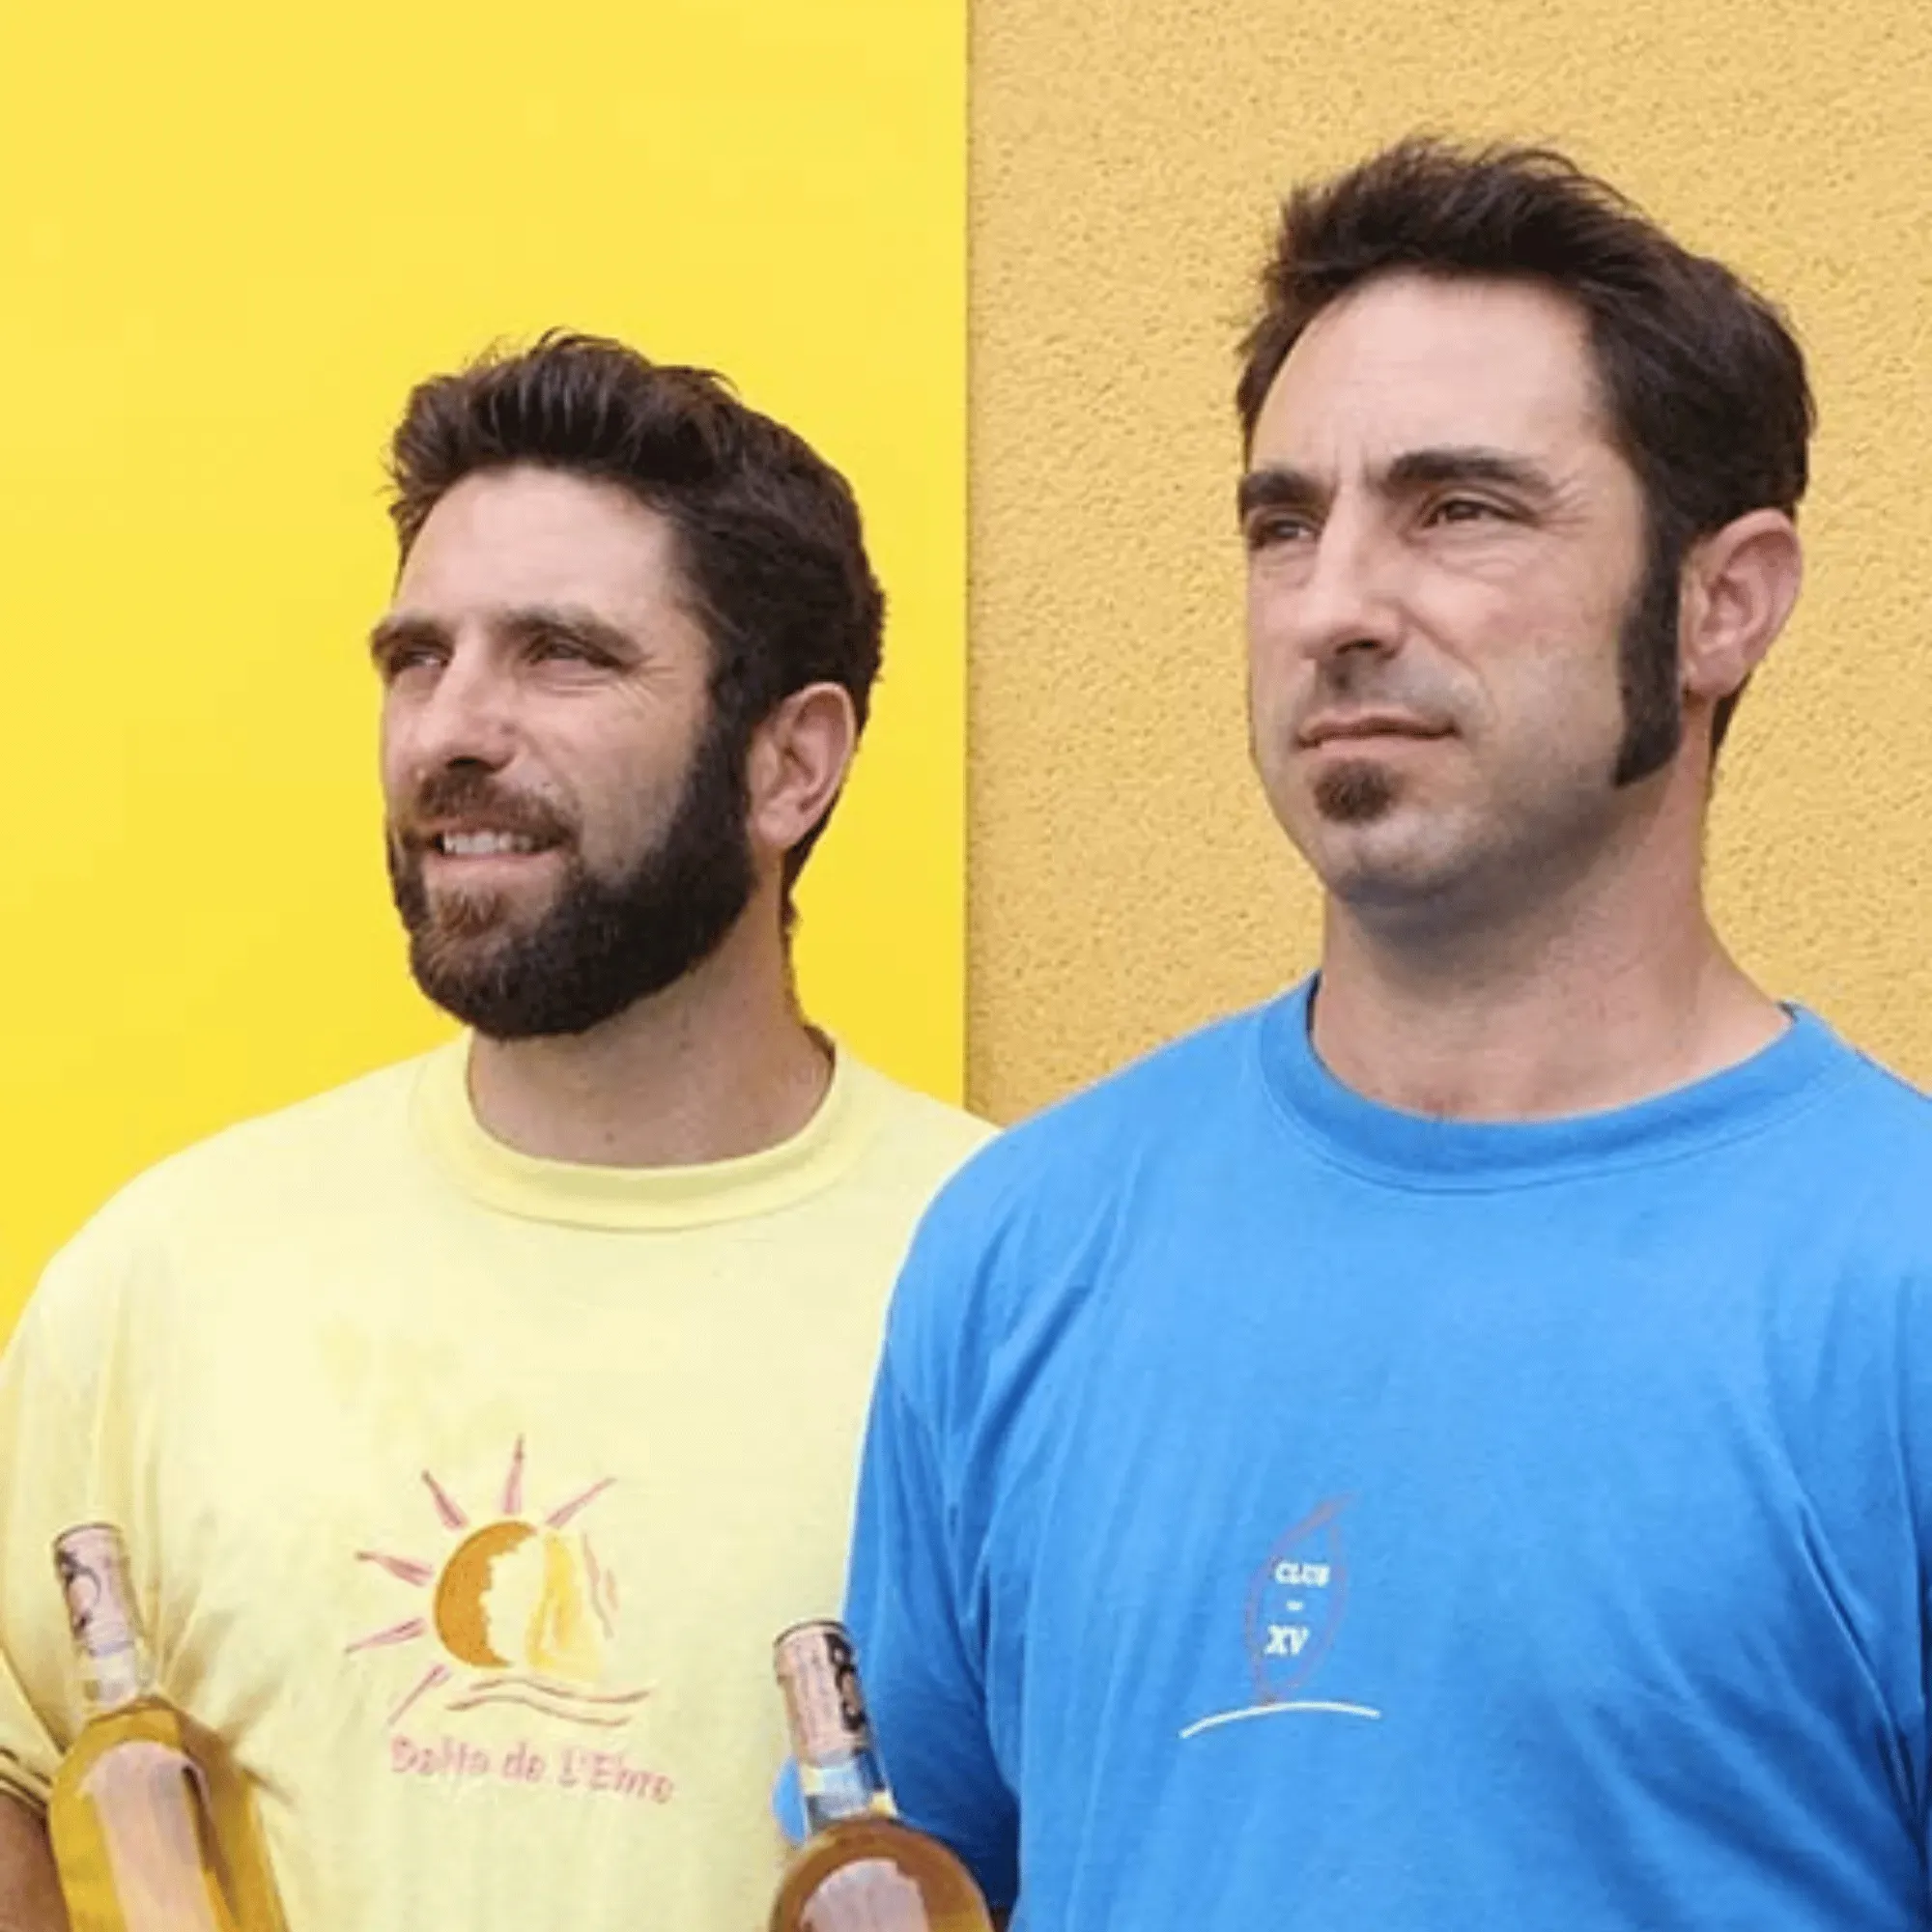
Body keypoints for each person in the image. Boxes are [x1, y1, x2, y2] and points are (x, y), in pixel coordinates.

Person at [839, 140, 1932, 1929]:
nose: (1335, 605)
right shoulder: (1026, 1245)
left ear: (1723, 601)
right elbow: (914, 1883)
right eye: (1285, 525)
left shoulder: (1893, 1284)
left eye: (1461, 510)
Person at [0, 334, 988, 1930]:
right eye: (417, 658)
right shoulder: (166, 1278)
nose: (447, 729)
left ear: (790, 764)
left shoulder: (1006, 1284)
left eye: (560, 656)